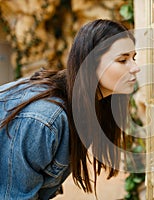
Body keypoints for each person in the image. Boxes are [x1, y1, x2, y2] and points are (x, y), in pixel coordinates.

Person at [0, 19, 140, 199]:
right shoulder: (44, 119)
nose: (135, 68)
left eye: (133, 58)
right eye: (123, 60)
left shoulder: (87, 104)